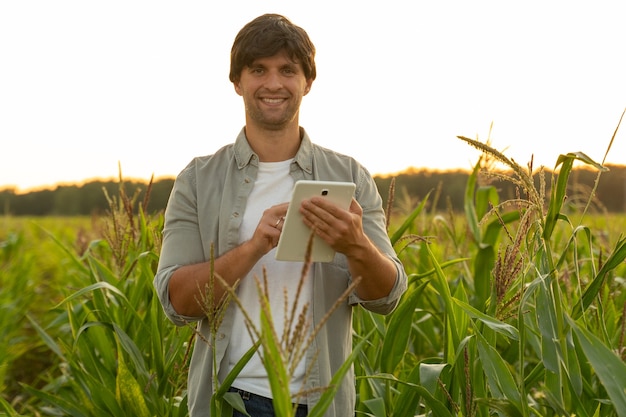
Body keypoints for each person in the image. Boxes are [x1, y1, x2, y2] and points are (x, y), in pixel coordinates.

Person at [153, 13, 407, 417]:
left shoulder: (349, 176)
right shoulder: (198, 180)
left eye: (288, 70)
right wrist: (254, 247)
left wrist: (357, 246)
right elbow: (177, 302)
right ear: (237, 82)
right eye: (258, 70)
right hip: (232, 399)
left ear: (307, 82)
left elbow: (387, 297)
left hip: (322, 403)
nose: (273, 83)